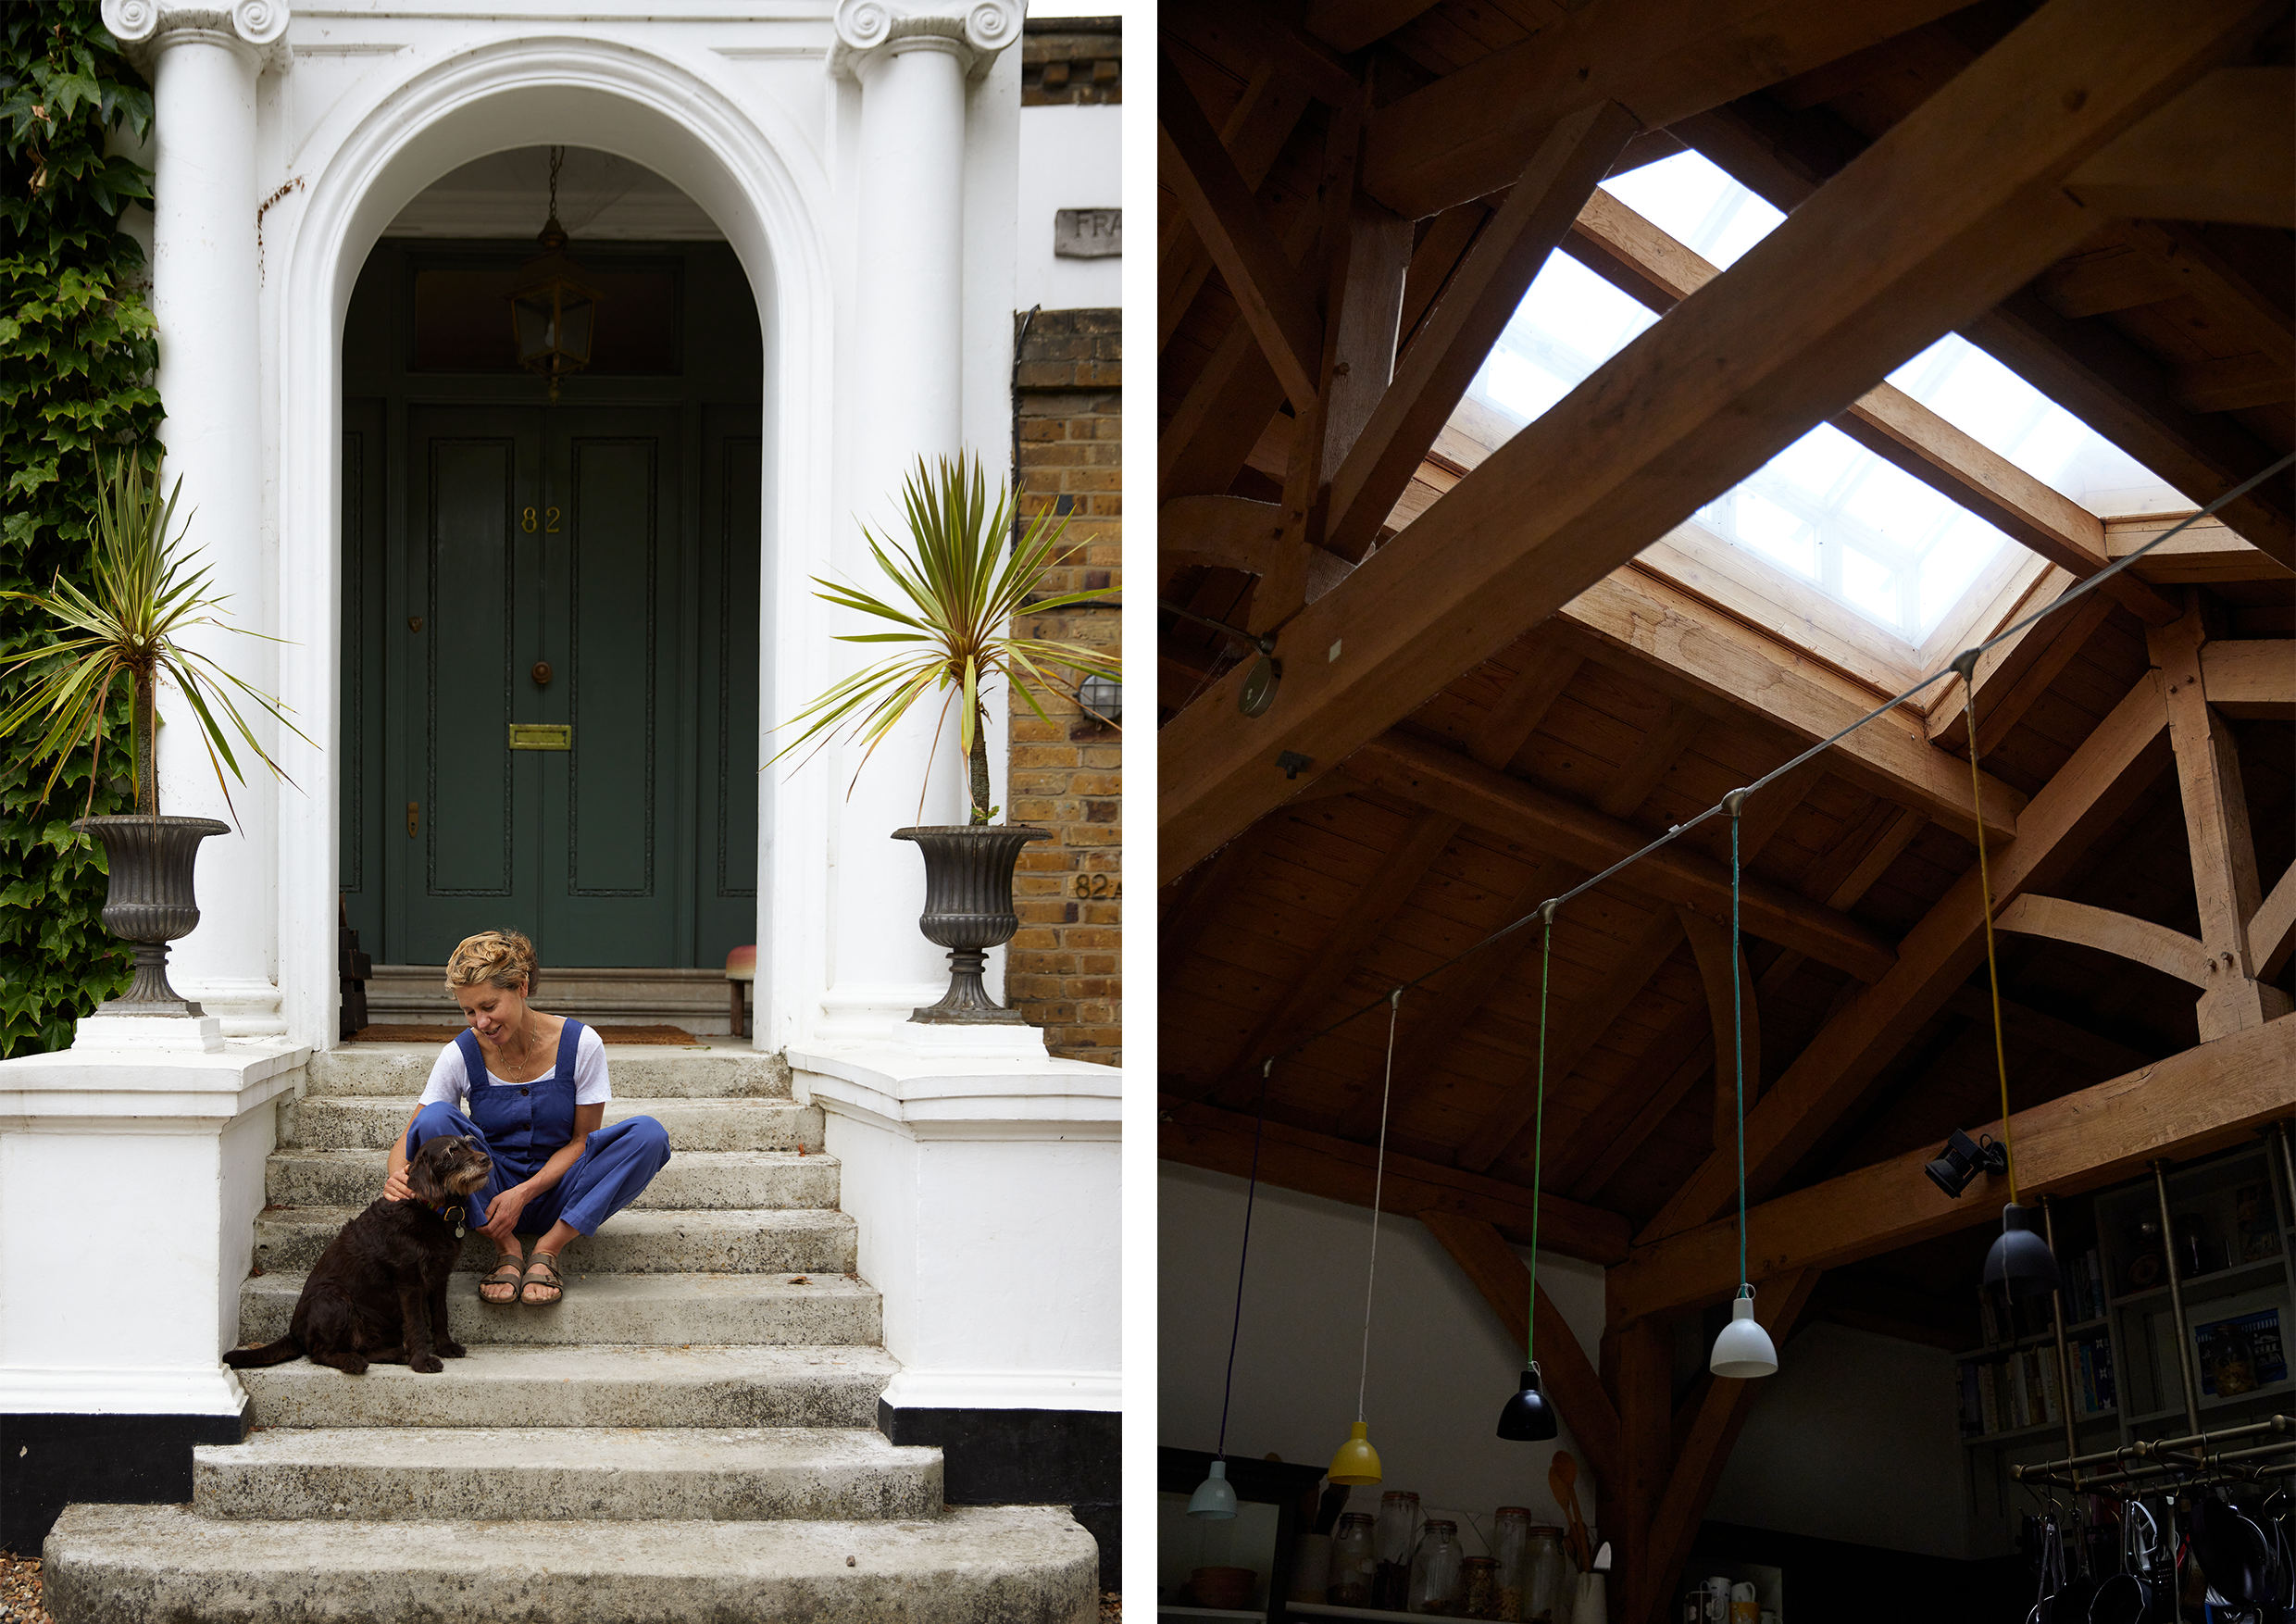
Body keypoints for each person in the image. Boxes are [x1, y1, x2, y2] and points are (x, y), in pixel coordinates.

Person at [383, 930, 671, 1305]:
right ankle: (507, 1248)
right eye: (469, 1011)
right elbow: (412, 1138)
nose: (479, 1022)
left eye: (488, 1007)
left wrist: (524, 1193)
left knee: (648, 1134)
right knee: (438, 1117)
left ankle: (549, 1249)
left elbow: (582, 1141)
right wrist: (395, 1177)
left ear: (520, 986)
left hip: (562, 1188)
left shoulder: (582, 1044)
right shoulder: (460, 1053)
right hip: (488, 1188)